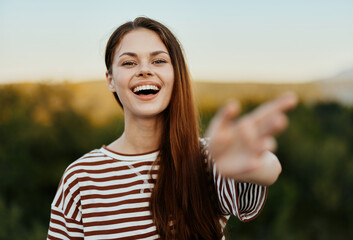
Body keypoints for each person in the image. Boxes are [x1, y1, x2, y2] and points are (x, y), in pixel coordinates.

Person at [47, 17, 298, 240]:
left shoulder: (207, 158)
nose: (145, 70)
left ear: (176, 74)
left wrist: (253, 164)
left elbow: (269, 168)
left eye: (158, 60)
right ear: (110, 80)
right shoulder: (80, 177)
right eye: (128, 63)